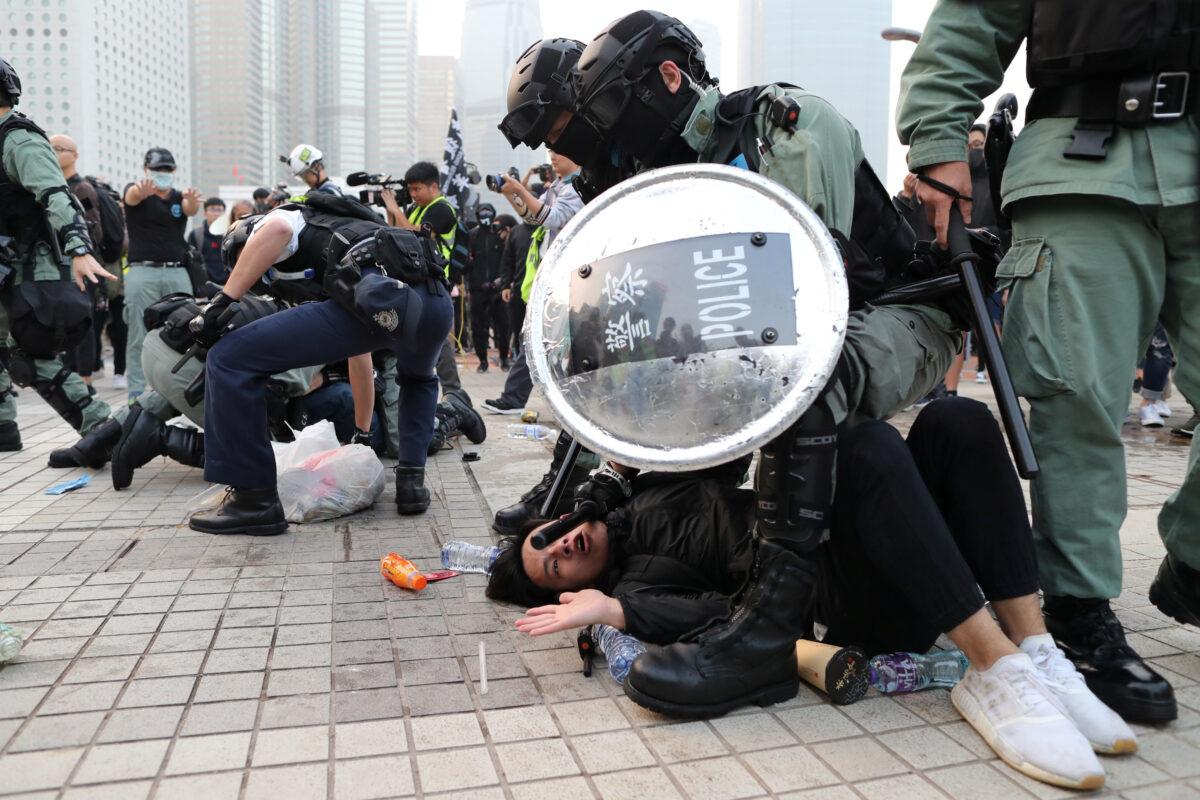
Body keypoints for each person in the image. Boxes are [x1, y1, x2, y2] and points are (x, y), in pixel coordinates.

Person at [533, 11, 965, 718]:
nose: (609, 132)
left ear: (669, 76)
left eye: (613, 106)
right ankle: (762, 589)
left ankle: (767, 632)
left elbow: (803, 301)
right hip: (796, 332)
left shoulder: (781, 125)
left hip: (899, 313)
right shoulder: (666, 181)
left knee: (799, 379)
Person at [493, 400, 1134, 790]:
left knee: (958, 420)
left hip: (867, 531)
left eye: (547, 538)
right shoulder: (632, 585)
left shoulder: (639, 490)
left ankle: (1036, 648)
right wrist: (617, 612)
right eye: (552, 570)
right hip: (838, 593)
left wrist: (617, 468)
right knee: (863, 446)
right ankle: (994, 671)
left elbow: (711, 423)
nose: (562, 549)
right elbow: (730, 621)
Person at [898, 0, 1199, 723]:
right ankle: (1077, 610)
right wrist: (939, 139)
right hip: (1083, 162)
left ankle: (1192, 563)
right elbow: (971, 22)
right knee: (1078, 396)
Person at [186, 192, 452, 535]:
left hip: (380, 299)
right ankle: (412, 484)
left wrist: (221, 303)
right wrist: (362, 432)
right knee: (418, 379)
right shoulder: (345, 236)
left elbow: (277, 229)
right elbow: (360, 355)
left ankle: (254, 501)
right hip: (434, 302)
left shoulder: (280, 220)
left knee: (229, 358)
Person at [0, 58, 117, 460]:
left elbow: (55, 194)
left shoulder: (20, 141)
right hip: (8, 265)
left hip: (32, 262)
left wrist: (79, 249)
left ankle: (102, 428)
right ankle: (4, 427)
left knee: (27, 355)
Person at [481, 148, 583, 415]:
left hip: (573, 280)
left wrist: (519, 188)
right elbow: (532, 218)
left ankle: (574, 406)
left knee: (554, 343)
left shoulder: (579, 186)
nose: (553, 155)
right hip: (555, 281)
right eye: (550, 150)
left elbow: (551, 217)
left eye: (559, 150)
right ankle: (517, 398)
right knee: (536, 340)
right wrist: (512, 193)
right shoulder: (560, 186)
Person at [121, 147, 200, 400]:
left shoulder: (179, 197)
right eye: (157, 169)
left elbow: (189, 209)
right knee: (138, 334)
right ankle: (136, 391)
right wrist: (138, 191)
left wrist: (193, 203)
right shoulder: (137, 192)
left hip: (177, 272)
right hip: (142, 272)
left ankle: (181, 389)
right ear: (146, 170)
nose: (162, 174)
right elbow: (131, 198)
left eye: (166, 169)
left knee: (189, 329)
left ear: (174, 171)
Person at [51, 134, 105, 389]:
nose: (55, 152)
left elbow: (93, 226)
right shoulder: (55, 184)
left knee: (83, 320)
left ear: (74, 155)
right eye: (51, 148)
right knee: (67, 320)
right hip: (60, 263)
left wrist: (79, 250)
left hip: (81, 261)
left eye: (60, 148)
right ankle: (71, 374)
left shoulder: (81, 188)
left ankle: (85, 377)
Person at [465, 205, 513, 372]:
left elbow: (507, 259)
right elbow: (466, 260)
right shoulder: (472, 235)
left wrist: (502, 282)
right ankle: (482, 361)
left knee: (503, 325)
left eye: (488, 213)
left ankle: (504, 359)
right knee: (478, 327)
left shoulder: (499, 235)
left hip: (498, 289)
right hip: (477, 289)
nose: (485, 216)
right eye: (482, 213)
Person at [189, 197, 227, 290]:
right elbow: (191, 261)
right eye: (212, 209)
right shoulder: (196, 235)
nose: (216, 213)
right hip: (204, 285)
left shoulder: (230, 234)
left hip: (228, 285)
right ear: (205, 213)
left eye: (219, 210)